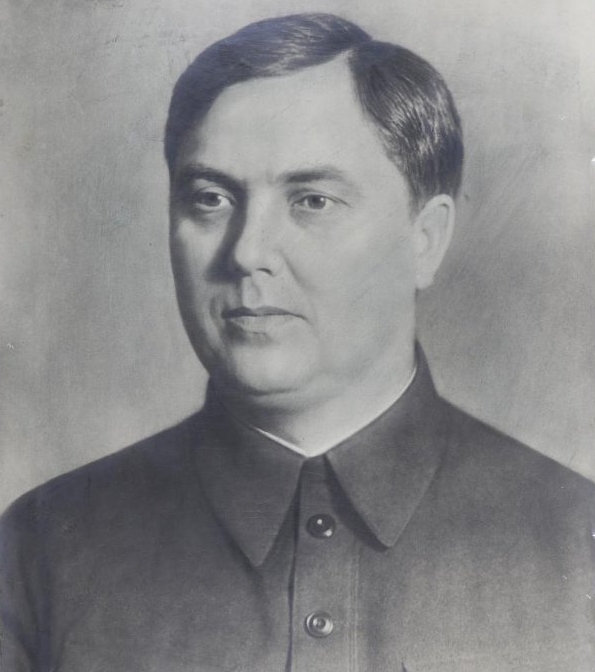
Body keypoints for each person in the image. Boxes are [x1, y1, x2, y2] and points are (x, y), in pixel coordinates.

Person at [1, 13, 593, 672]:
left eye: (311, 201)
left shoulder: (579, 541)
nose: (247, 252)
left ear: (424, 239)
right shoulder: (42, 547)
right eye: (211, 199)